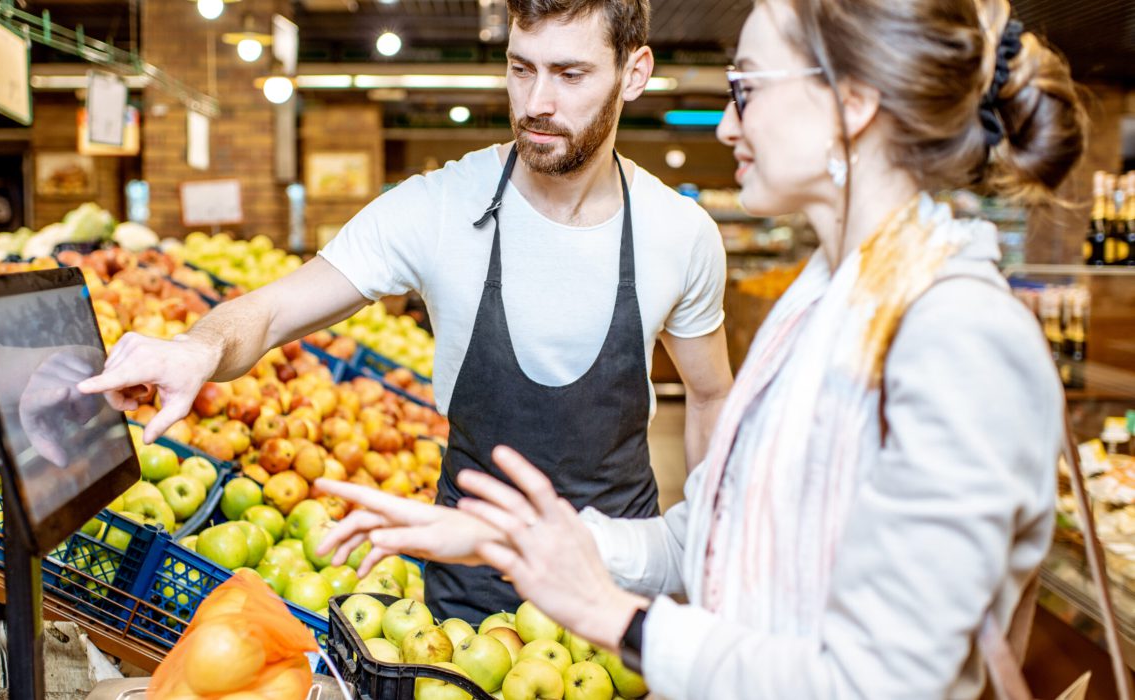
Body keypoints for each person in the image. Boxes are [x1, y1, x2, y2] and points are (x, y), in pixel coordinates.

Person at [315, 0, 1087, 695]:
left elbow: (879, 681)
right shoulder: (828, 301)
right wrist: (504, 537)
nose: (724, 124)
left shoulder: (958, 337)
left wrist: (619, 620)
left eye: (746, 87)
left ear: (851, 103)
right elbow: (711, 529)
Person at [78, 0, 734, 623]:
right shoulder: (440, 207)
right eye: (520, 67)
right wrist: (198, 347)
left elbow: (708, 398)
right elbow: (273, 310)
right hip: (471, 600)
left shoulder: (679, 234)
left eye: (570, 74)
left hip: (619, 587)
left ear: (635, 73)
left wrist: (708, 567)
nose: (536, 102)